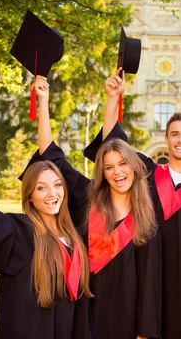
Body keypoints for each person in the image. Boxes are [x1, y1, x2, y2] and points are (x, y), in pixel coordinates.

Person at [25, 75, 161, 339]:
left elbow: (150, 283)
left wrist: (145, 332)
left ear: (135, 167)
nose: (117, 172)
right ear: (102, 173)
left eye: (123, 164)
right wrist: (43, 102)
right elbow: (51, 155)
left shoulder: (146, 217)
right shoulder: (88, 198)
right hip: (83, 310)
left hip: (128, 320)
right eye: (109, 167)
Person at [0, 109, 93, 339]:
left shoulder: (74, 235)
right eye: (41, 188)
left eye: (57, 185)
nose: (52, 193)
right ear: (29, 196)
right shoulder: (20, 232)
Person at [89, 70, 181, 338]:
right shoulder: (148, 173)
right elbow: (114, 142)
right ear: (166, 139)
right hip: (145, 283)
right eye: (175, 134)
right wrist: (113, 98)